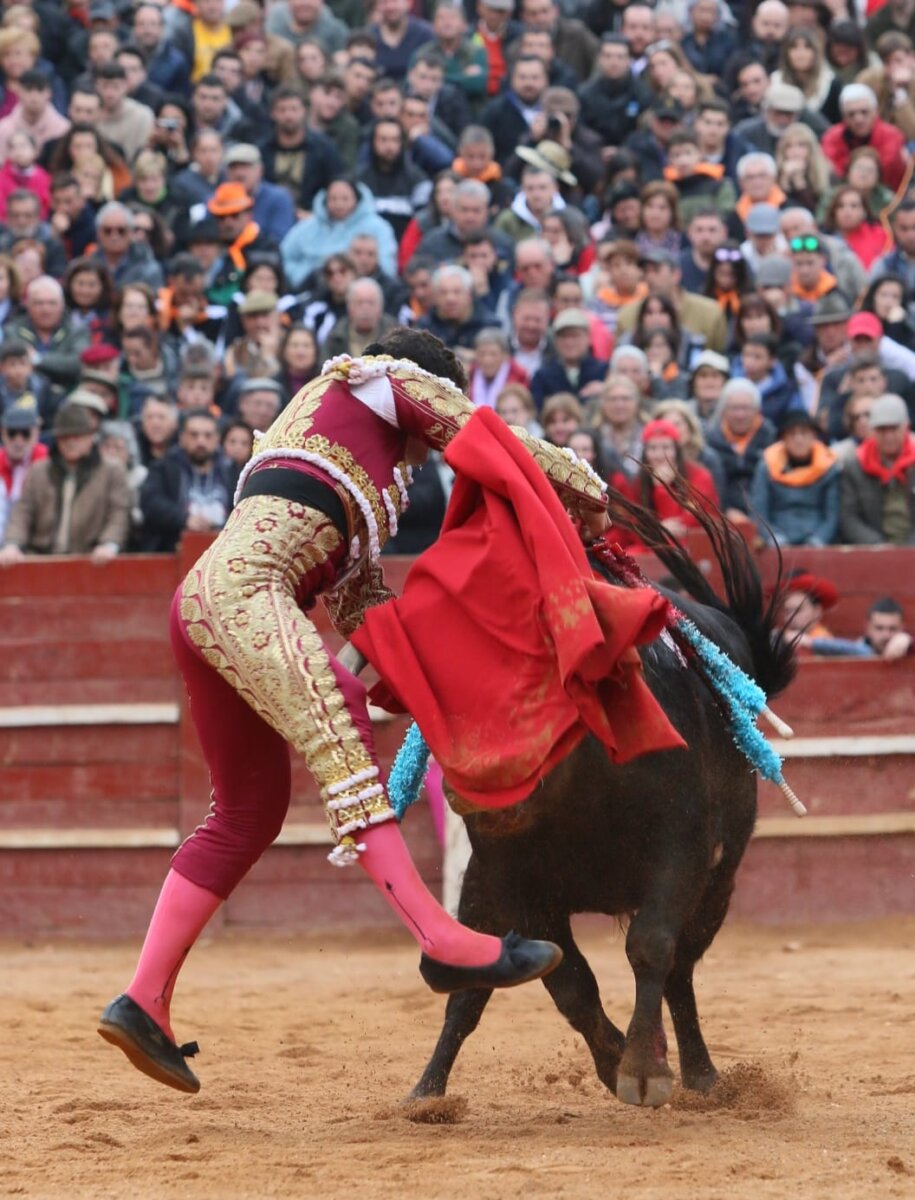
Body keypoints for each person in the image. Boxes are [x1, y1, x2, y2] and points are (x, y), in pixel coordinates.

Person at [97, 326, 610, 1093]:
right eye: (423, 439)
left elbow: (364, 612)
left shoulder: (338, 456)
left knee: (246, 815)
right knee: (335, 714)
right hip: (244, 596)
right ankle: (440, 939)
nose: (422, 458)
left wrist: (438, 681)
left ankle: (143, 1001)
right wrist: (590, 493)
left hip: (203, 602)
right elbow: (489, 440)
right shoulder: (383, 381)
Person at [0, 403, 130, 563]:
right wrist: (13, 544)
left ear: (90, 437)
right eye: (64, 437)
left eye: (77, 436)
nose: (70, 442)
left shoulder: (111, 471)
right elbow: (23, 512)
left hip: (92, 557)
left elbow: (119, 512)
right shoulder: (39, 470)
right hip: (41, 557)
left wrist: (109, 544)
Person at [138, 408, 239, 553]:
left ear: (217, 438)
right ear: (182, 437)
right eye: (194, 435)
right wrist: (184, 518)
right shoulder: (163, 468)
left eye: (208, 435)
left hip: (224, 549)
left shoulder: (232, 470)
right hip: (174, 548)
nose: (201, 441)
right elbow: (150, 503)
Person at [749, 409, 840, 547]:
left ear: (814, 436)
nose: (798, 439)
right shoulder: (766, 466)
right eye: (792, 434)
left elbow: (832, 515)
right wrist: (774, 538)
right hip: (777, 541)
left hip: (817, 542)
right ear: (783, 438)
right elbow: (758, 512)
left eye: (804, 433)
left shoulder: (829, 467)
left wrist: (818, 541)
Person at [839, 392, 915, 544]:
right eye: (882, 430)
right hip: (873, 547)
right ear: (872, 430)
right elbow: (848, 518)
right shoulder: (855, 466)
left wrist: (910, 548)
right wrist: (878, 545)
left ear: (906, 427)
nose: (888, 436)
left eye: (894, 429)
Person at [706, 377, 776, 519]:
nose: (740, 415)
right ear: (724, 411)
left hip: (765, 514)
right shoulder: (710, 438)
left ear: (757, 410)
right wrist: (726, 510)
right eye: (734, 408)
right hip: (722, 513)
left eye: (745, 408)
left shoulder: (770, 437)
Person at [0, 400, 46, 543]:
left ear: (36, 434)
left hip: (36, 539)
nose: (18, 441)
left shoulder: (47, 461)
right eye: (12, 433)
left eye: (26, 434)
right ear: (2, 433)